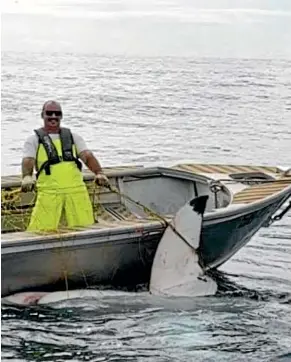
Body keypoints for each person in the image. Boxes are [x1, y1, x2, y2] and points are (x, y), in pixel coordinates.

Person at [21, 100, 109, 232]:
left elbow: (87, 156)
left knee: (86, 228)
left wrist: (99, 172)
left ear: (61, 116)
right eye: (49, 113)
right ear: (42, 115)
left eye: (57, 114)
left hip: (76, 191)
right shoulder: (34, 140)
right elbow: (28, 160)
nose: (53, 117)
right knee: (40, 231)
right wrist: (27, 176)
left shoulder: (74, 137)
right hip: (49, 193)